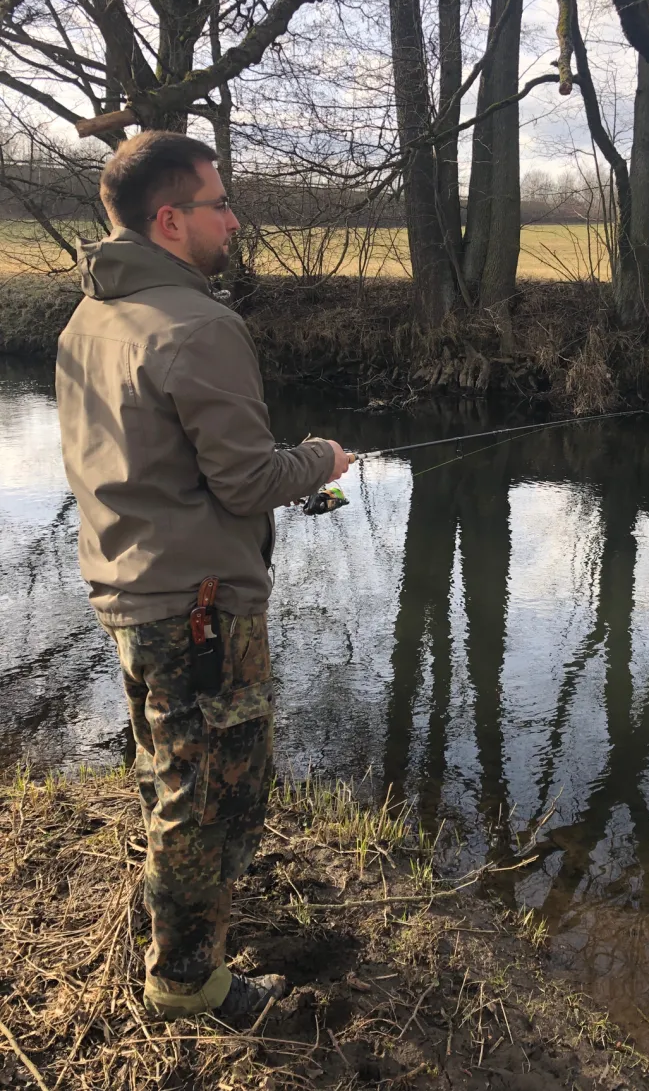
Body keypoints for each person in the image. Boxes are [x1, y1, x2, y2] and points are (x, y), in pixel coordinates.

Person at [55, 131, 350, 1023]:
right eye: (220, 203)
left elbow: (151, 465)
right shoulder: (201, 324)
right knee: (218, 790)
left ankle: (181, 921)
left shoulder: (88, 320)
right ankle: (187, 978)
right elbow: (250, 479)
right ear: (171, 218)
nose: (233, 218)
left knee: (167, 768)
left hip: (128, 591)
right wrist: (321, 458)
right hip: (200, 610)